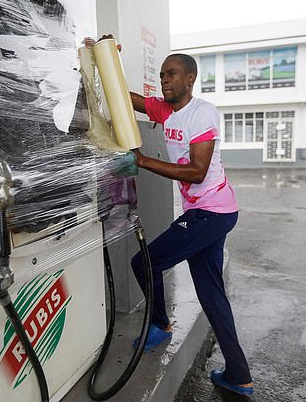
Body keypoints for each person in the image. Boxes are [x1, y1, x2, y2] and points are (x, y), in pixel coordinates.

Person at [128, 52, 254, 396]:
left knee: (144, 262)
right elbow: (132, 101)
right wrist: (97, 65)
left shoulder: (202, 113)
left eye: (172, 75)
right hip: (211, 212)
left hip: (210, 212)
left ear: (190, 78)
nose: (166, 80)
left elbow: (197, 171)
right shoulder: (165, 110)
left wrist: (143, 161)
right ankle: (238, 375)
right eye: (162, 75)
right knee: (212, 294)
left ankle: (160, 325)